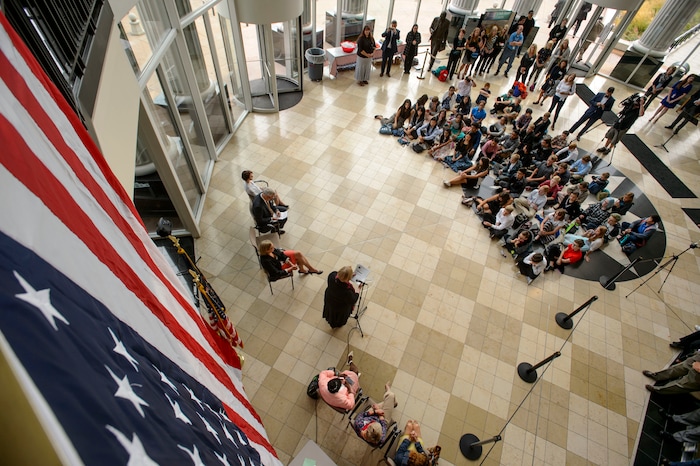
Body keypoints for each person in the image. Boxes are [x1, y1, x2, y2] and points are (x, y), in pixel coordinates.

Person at [352, 381, 397, 446]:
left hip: (372, 413)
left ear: (368, 425)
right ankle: (392, 402)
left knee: (390, 399)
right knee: (391, 396)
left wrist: (375, 411)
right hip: (383, 419)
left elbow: (363, 414)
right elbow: (384, 425)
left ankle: (393, 402)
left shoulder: (358, 423)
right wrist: (379, 412)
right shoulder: (381, 438)